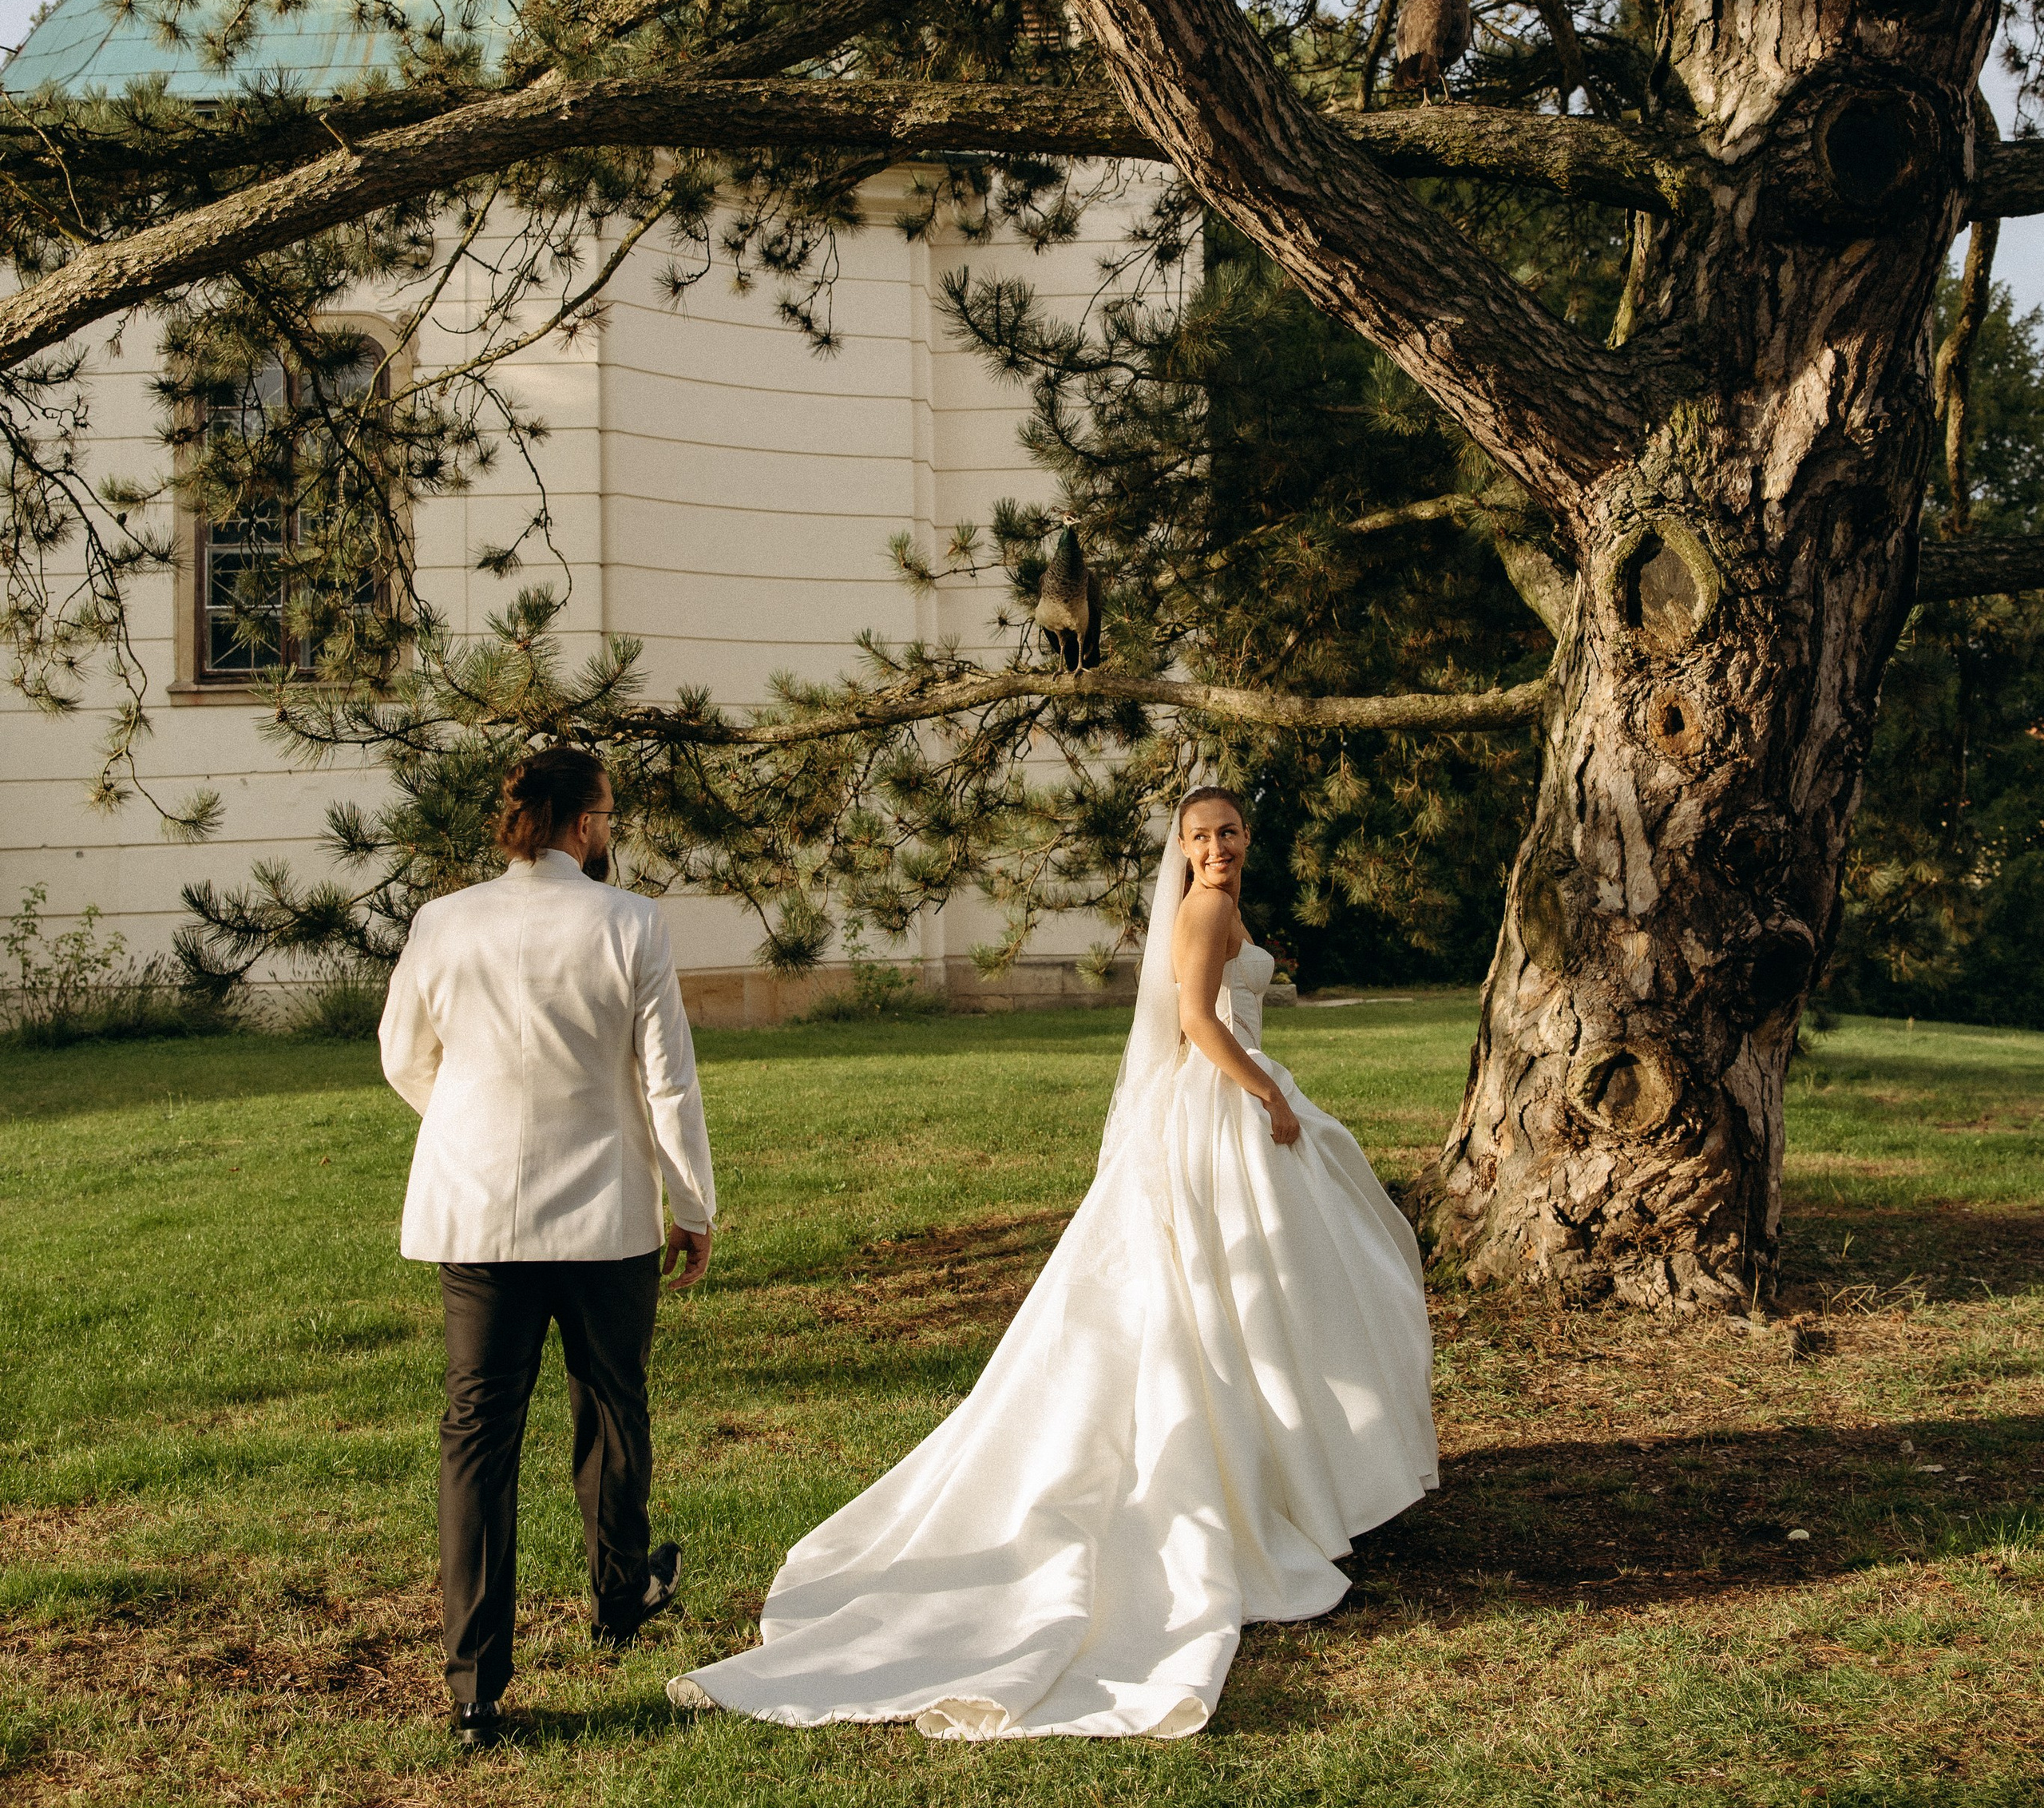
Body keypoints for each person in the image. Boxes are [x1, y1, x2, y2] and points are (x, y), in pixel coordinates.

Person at [671, 785, 1434, 1740]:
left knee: (1281, 1287)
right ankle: (1259, 1480)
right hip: (1220, 1103)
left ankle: (1281, 1473)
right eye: (1199, 837)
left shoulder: (1227, 905)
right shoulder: (1203, 910)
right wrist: (1268, 1098)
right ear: (1183, 849)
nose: (1216, 848)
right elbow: (1197, 1020)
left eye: (1229, 832)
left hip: (1226, 1102)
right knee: (1250, 1286)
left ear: (1247, 835)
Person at [378, 745, 715, 1751]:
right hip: (605, 1208)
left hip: (477, 1210)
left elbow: (403, 1054)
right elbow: (667, 1080)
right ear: (582, 824)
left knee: (477, 1434)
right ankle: (620, 1597)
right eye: (608, 814)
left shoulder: (444, 921)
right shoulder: (633, 921)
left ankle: (477, 1688)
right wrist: (692, 1201)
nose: (610, 831)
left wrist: (464, 1124)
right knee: (610, 1402)